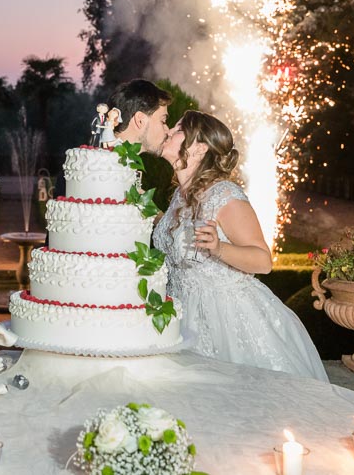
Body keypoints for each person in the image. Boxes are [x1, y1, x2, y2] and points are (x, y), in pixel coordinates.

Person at [153, 110, 328, 382]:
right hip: (181, 313)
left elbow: (263, 260)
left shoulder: (224, 195)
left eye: (177, 130)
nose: (169, 133)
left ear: (199, 147)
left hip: (225, 319)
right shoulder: (179, 195)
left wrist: (219, 248)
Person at [53, 79, 172, 196]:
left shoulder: (130, 167)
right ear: (140, 120)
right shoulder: (84, 169)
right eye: (163, 121)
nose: (167, 130)